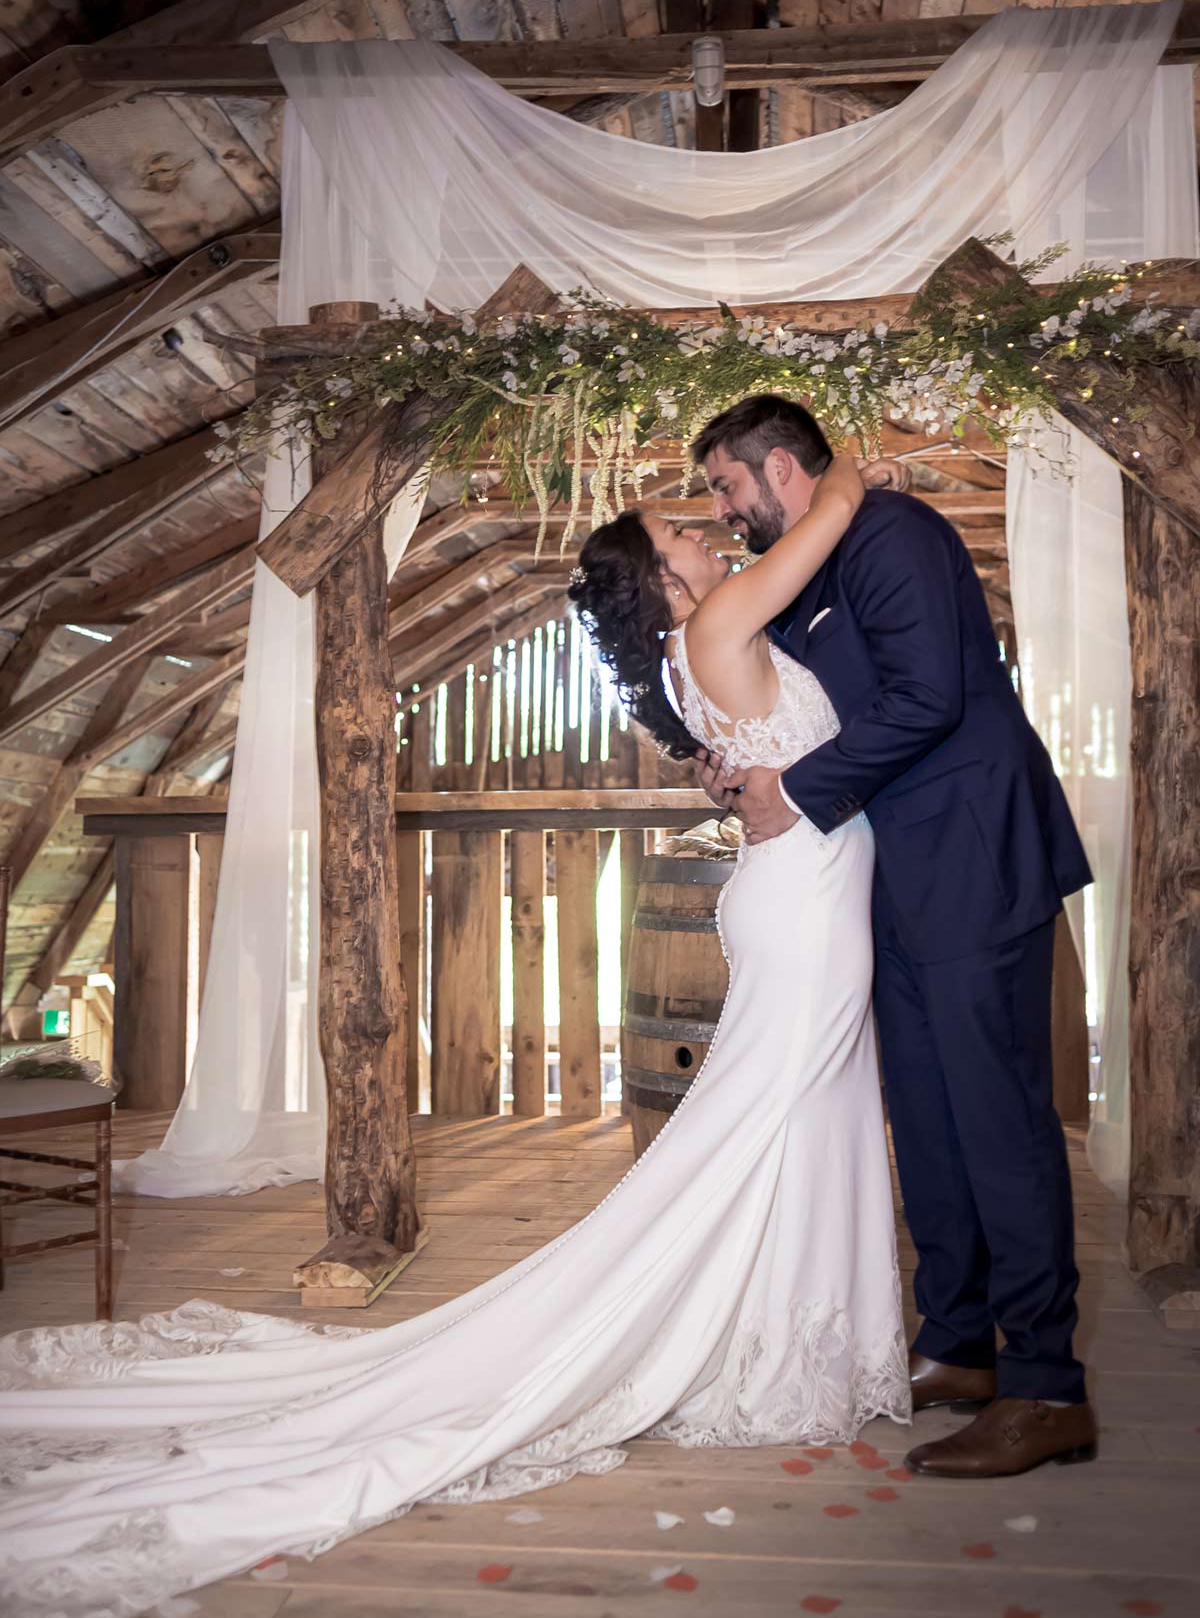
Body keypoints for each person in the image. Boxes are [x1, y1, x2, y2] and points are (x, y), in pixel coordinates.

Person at [0, 450, 909, 1618]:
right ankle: (763, 1343)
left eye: (699, 520)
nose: (701, 532)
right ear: (664, 579)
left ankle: (800, 1337)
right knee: (768, 1119)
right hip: (803, 905)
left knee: (801, 1116)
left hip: (805, 894)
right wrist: (858, 471)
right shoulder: (725, 615)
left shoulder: (696, 650)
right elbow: (824, 518)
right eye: (680, 531)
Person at [693, 394, 1097, 1478]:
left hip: (974, 862)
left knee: (999, 1120)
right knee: (925, 1116)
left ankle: (1049, 1385)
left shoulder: (895, 538)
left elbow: (929, 698)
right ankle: (959, 1345)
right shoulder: (816, 562)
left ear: (781, 469)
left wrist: (797, 791)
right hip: (891, 881)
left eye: (729, 487)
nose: (725, 513)